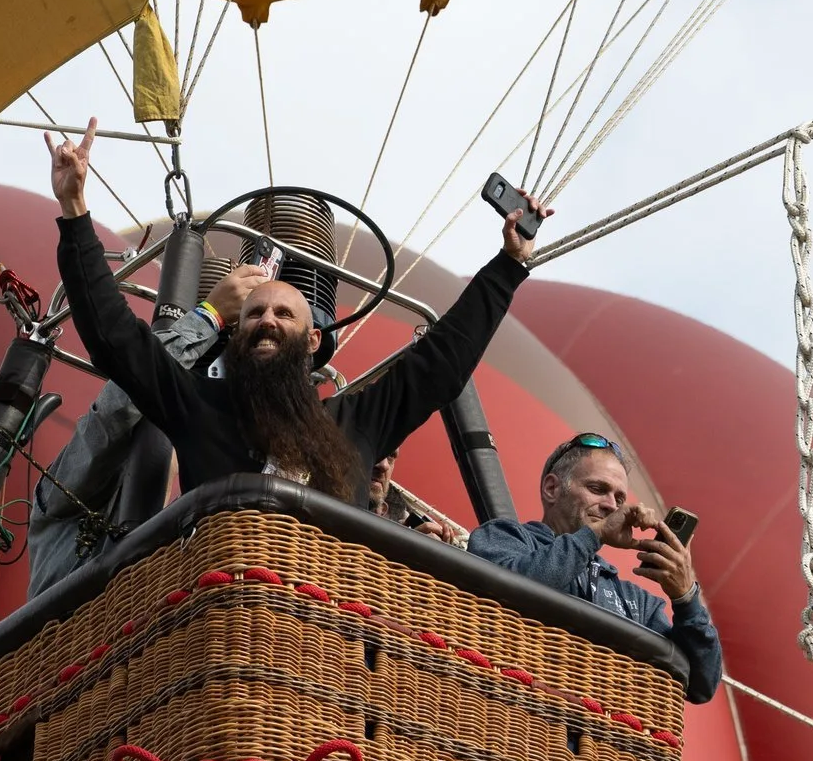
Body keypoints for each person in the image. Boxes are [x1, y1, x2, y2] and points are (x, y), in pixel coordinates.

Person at [45, 118, 533, 508]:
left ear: (314, 340)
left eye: (284, 313)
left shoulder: (355, 421)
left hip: (328, 627)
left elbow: (443, 363)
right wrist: (74, 210)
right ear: (235, 334)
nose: (268, 321)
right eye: (254, 314)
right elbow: (115, 337)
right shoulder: (198, 405)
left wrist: (507, 266)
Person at [27, 257, 273, 595]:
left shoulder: (186, 516)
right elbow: (119, 406)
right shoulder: (67, 488)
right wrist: (209, 317)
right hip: (74, 639)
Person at [468, 433, 723, 703]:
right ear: (552, 489)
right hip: (513, 728)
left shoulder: (637, 602)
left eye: (620, 499)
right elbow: (507, 595)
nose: (611, 505)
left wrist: (686, 598)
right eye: (598, 489)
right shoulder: (502, 537)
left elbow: (701, 684)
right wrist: (594, 536)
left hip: (602, 742)